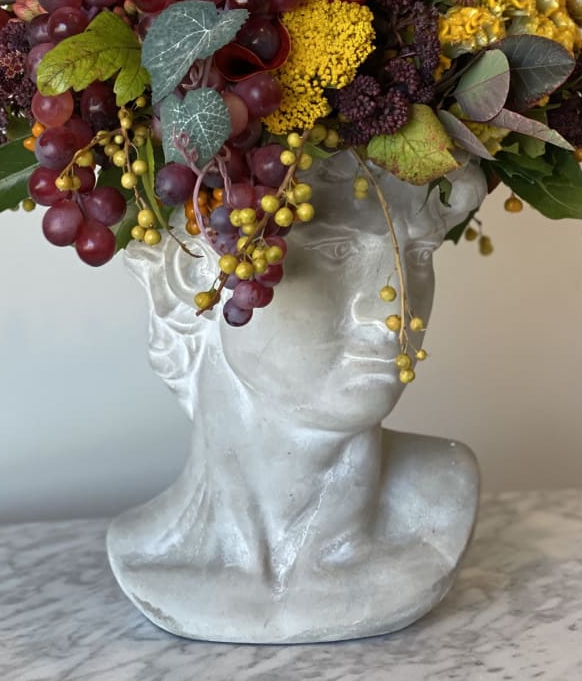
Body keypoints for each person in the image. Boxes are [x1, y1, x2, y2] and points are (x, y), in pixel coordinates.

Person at [108, 155, 485, 643]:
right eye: (336, 251)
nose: (393, 311)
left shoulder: (435, 513)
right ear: (190, 271)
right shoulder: (147, 553)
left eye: (417, 255)